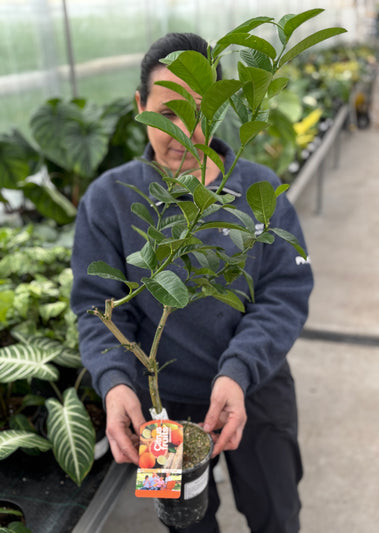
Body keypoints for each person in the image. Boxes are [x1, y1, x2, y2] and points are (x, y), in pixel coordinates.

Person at [71, 32, 313, 533]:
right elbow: (98, 305)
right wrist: (115, 382)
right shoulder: (109, 199)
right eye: (169, 113)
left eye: (200, 114)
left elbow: (283, 296)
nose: (184, 132)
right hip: (161, 403)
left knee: (277, 512)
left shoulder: (259, 193)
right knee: (185, 525)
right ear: (141, 107)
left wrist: (240, 370)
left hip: (255, 386)